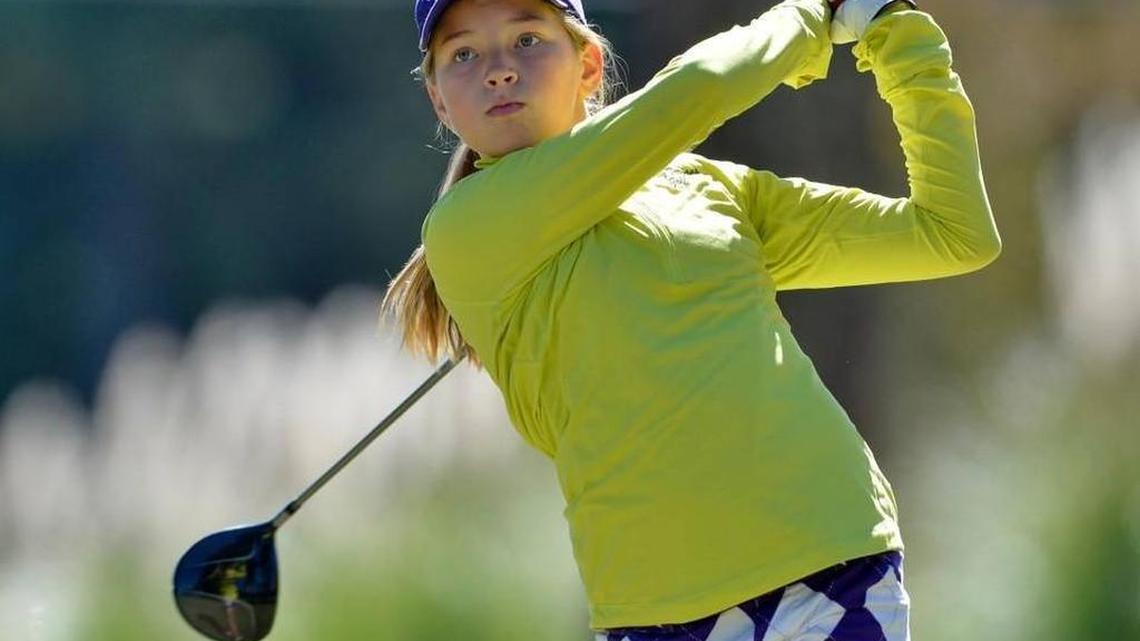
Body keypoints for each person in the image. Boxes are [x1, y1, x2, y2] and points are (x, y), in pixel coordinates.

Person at [383, 0, 1001, 638]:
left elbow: (951, 233)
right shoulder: (465, 230)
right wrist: (814, 13)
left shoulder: (706, 190)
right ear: (437, 99)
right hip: (656, 616)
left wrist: (899, 38)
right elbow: (696, 91)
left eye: (529, 39)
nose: (499, 70)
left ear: (589, 65)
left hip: (829, 567)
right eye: (464, 54)